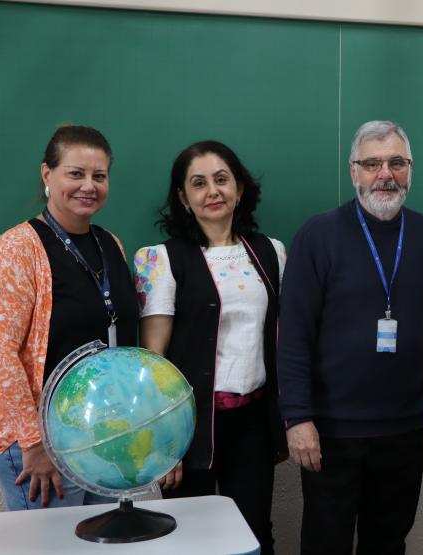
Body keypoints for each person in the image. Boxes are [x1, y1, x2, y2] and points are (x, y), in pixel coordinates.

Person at [277, 120, 423, 554]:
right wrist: (297, 418)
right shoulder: (317, 235)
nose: (385, 174)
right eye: (373, 163)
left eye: (397, 163)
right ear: (353, 171)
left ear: (410, 169)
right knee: (326, 544)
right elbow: (294, 336)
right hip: (330, 430)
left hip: (402, 427)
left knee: (388, 543)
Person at [133, 141, 286, 554]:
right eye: (198, 183)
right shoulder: (158, 260)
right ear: (183, 198)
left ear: (239, 187)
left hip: (253, 421)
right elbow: (154, 360)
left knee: (253, 535)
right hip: (189, 425)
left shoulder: (272, 252)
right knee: (191, 539)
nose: (212, 191)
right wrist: (167, 446)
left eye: (222, 179)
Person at [0, 125, 139, 509]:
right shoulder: (18, 248)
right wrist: (33, 443)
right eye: (75, 174)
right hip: (43, 445)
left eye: (99, 175)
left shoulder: (110, 243)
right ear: (48, 174)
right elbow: (1, 354)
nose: (88, 186)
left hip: (101, 436)